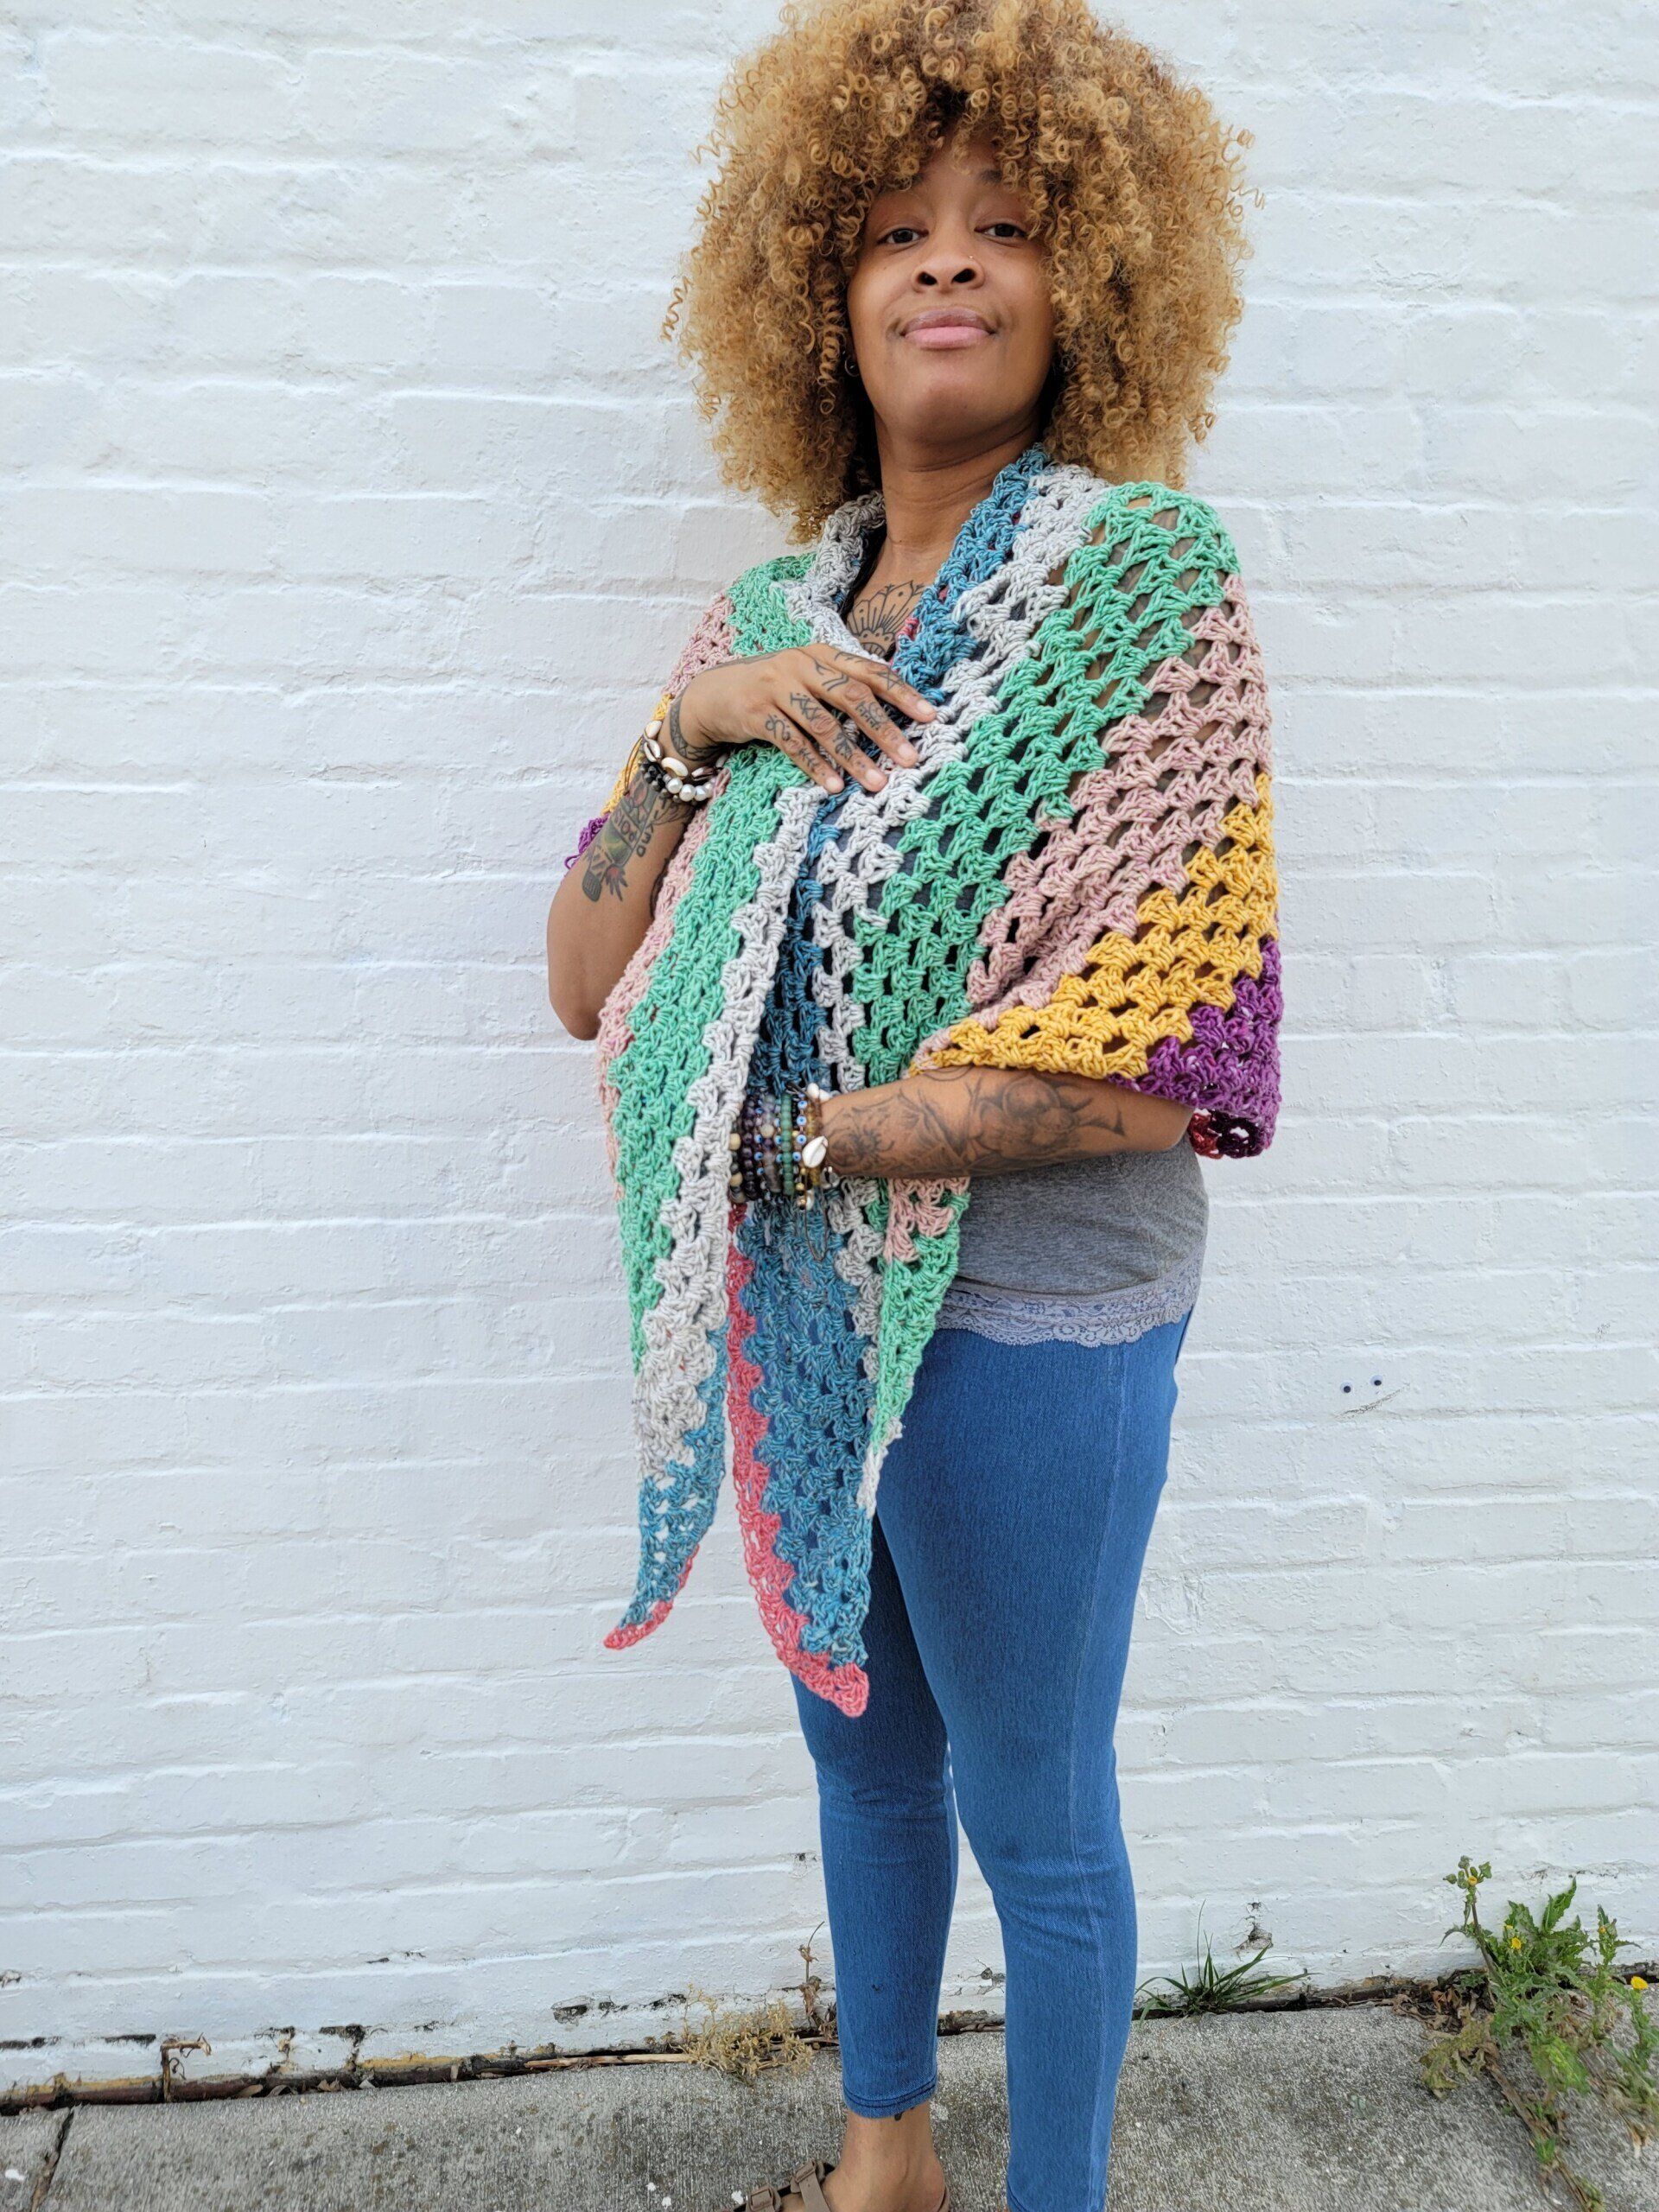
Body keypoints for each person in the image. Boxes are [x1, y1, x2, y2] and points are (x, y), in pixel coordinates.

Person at [545, 7, 1279, 2210]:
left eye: (1004, 226)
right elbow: (589, 980)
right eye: (893, 228)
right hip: (807, 1302)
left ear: (1093, 282)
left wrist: (816, 1144)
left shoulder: (1150, 587)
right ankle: (890, 2160)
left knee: (1038, 1812)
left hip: (1034, 1314)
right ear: (819, 290)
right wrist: (696, 724)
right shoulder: (761, 620)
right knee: (859, 1746)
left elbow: (1180, 1061)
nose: (944, 265)